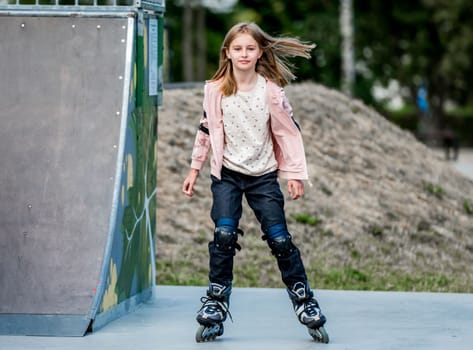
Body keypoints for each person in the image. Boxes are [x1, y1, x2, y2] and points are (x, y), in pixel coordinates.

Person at [182, 22, 327, 340]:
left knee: (279, 239)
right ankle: (216, 303)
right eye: (238, 49)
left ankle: (304, 301)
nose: (244, 53)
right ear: (228, 53)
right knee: (223, 234)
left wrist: (295, 174)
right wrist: (194, 169)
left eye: (250, 48)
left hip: (263, 177)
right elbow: (205, 130)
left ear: (260, 51)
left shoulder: (271, 92)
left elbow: (289, 132)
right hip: (227, 176)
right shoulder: (215, 89)